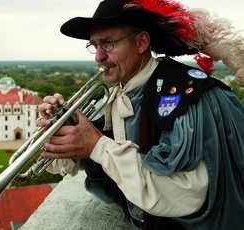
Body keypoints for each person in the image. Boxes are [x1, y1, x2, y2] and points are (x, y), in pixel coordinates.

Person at [37, 0, 244, 229]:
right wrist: (60, 133)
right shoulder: (114, 94)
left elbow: (186, 194)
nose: (98, 57)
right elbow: (72, 165)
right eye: (94, 45)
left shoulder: (189, 95)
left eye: (108, 43)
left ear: (141, 42)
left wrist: (98, 146)